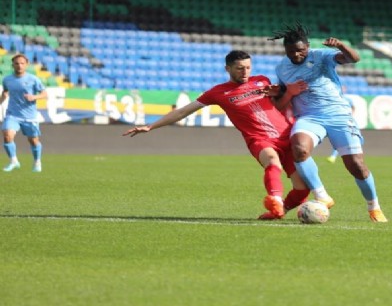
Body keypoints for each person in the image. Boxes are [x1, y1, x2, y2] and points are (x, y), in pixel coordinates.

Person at [122, 50, 311, 219]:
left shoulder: (262, 81)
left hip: (286, 136)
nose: (245, 72)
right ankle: (275, 199)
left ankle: (279, 211)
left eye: (247, 67)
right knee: (271, 161)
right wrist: (151, 126)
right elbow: (182, 112)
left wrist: (284, 94)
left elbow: (278, 106)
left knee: (303, 188)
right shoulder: (218, 92)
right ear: (227, 68)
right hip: (260, 140)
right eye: (239, 68)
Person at [269, 23, 388, 222]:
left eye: (300, 50)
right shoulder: (281, 68)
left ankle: (373, 206)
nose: (296, 55)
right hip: (309, 117)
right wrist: (282, 92)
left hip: (338, 116)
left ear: (307, 47)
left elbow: (353, 59)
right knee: (298, 148)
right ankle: (322, 195)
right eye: (290, 52)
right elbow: (283, 97)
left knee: (356, 165)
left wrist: (341, 46)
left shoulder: (321, 56)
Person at [0, 54, 47, 172]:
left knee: (33, 140)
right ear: (13, 65)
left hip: (29, 116)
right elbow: (5, 93)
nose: (19, 66)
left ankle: (37, 161)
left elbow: (45, 94)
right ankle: (13, 161)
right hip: (12, 114)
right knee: (7, 135)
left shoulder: (33, 79)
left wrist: (34, 96)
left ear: (26, 64)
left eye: (22, 63)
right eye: (17, 63)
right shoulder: (7, 79)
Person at [327, 88, 355, 164]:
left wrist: (351, 115)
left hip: (345, 121)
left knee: (341, 139)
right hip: (336, 120)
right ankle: (334, 156)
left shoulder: (347, 99)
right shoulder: (334, 98)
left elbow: (353, 107)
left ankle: (333, 156)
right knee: (339, 139)